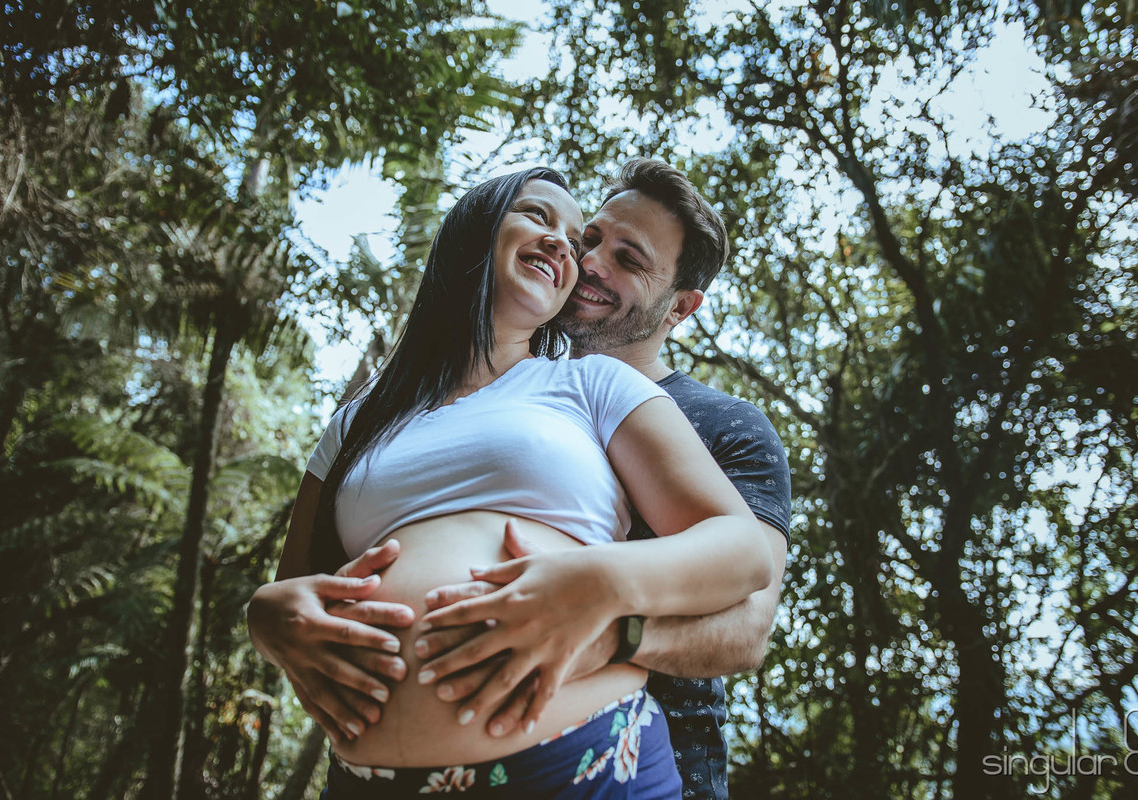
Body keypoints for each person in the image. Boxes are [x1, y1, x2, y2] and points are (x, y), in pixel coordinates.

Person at [248, 165, 776, 797]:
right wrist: (265, 618)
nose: (579, 253)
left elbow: (747, 597)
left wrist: (601, 592)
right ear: (476, 228)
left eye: (628, 257)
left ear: (681, 307)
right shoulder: (359, 420)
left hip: (584, 764)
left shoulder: (605, 389)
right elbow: (299, 588)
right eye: (570, 233)